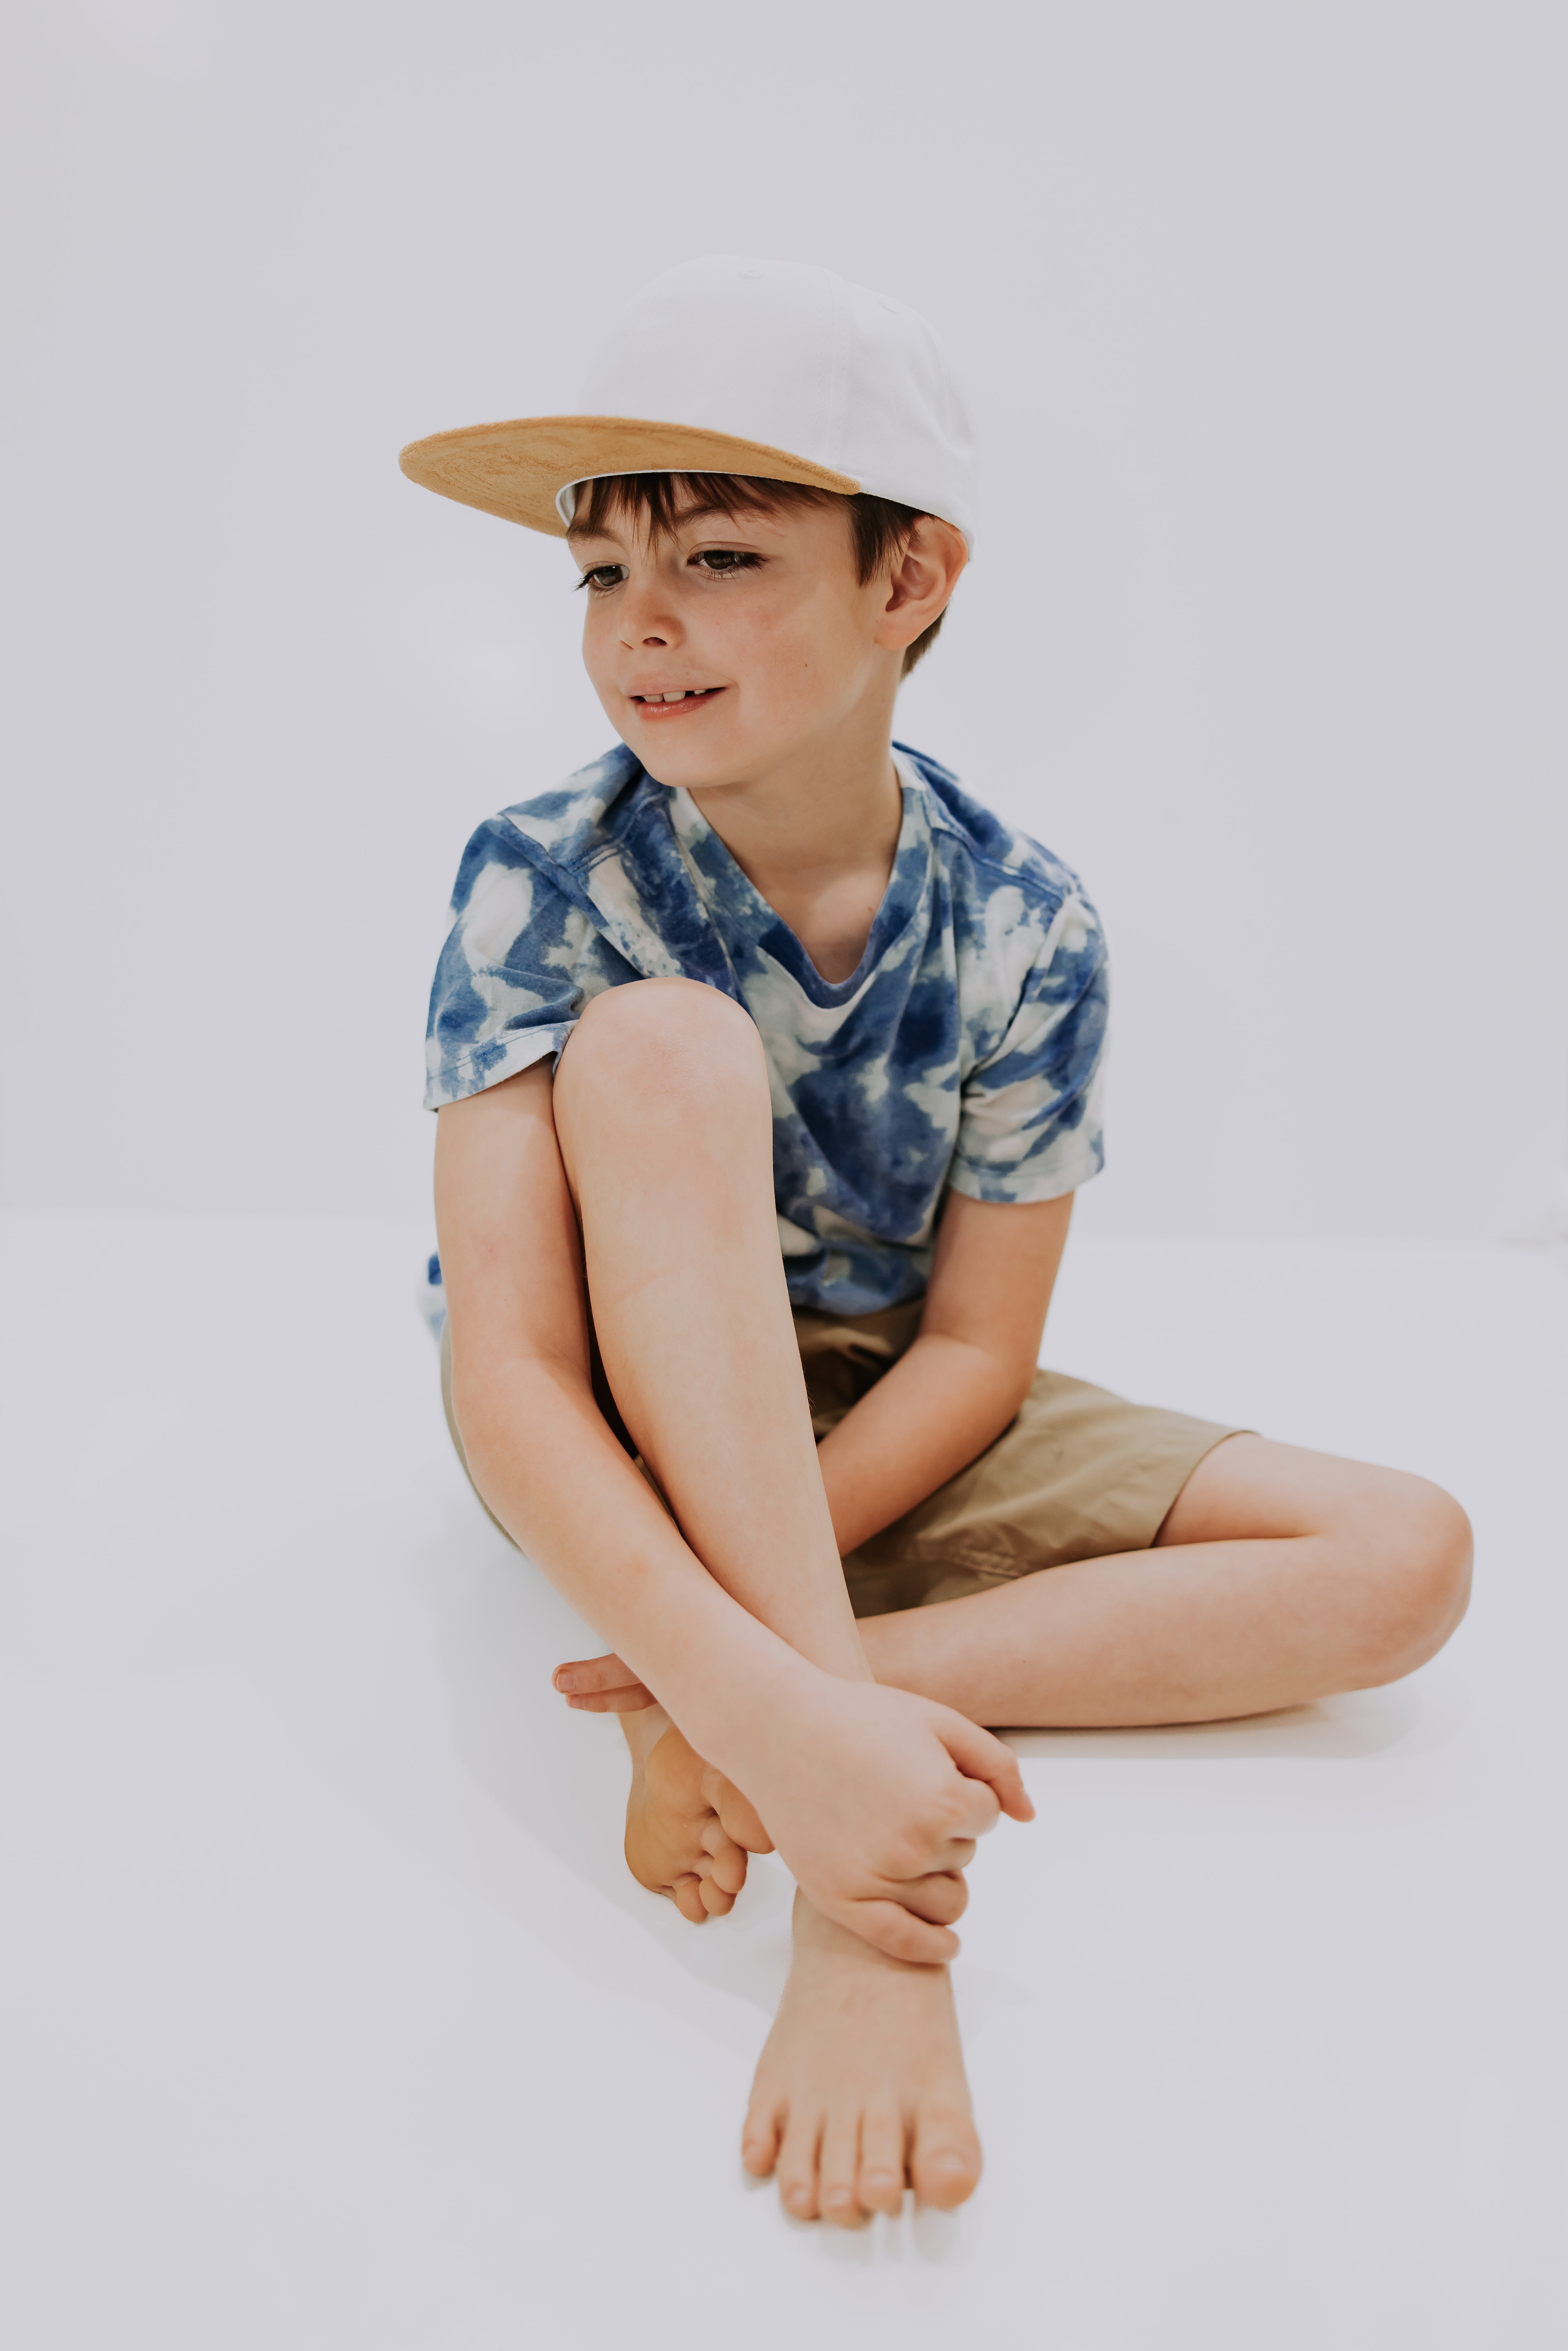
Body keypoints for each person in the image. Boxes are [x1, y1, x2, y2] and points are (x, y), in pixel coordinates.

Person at [401, 257, 1472, 2228]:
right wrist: (742, 1618)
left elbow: (977, 1355)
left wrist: (762, 1677)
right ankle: (848, 1885)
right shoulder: (538, 876)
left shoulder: (1027, 922)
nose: (641, 622)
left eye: (720, 557)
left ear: (909, 583)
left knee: (1406, 1558)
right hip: (622, 1417)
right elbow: (512, 1372)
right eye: (599, 573)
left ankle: (748, 1707)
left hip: (886, 1407)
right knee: (656, 1050)